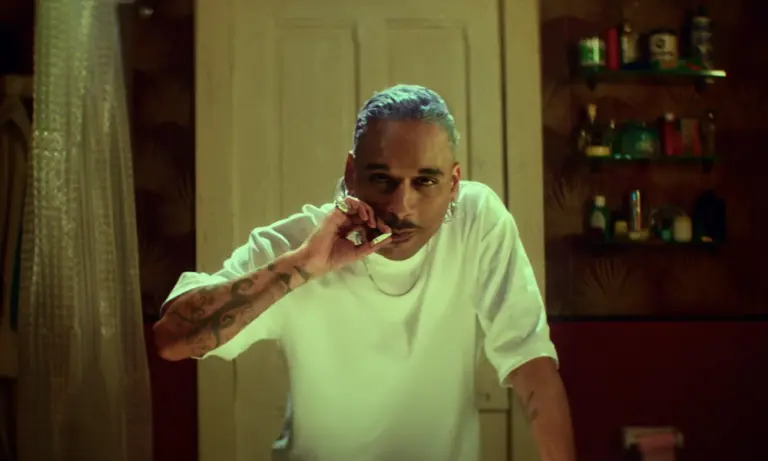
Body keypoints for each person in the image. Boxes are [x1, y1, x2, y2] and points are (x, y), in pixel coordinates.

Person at [153, 84, 575, 461]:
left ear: (454, 184)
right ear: (351, 174)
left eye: (425, 181)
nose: (401, 206)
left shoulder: (477, 219)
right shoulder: (300, 242)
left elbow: (530, 361)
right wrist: (303, 265)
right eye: (381, 179)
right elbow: (171, 340)